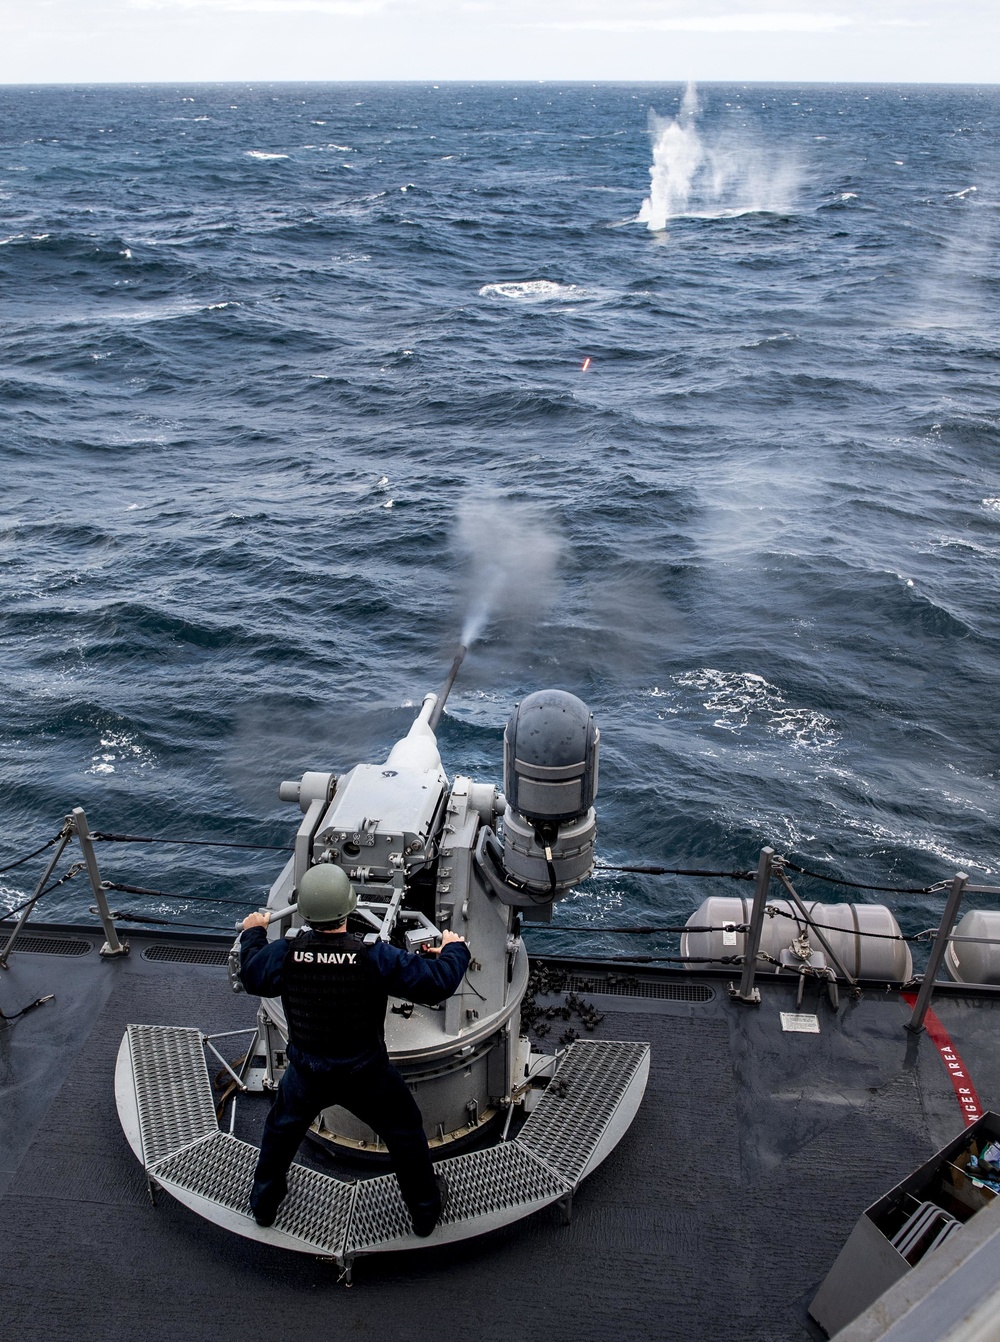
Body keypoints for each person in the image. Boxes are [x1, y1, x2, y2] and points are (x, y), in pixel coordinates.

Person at [239, 863, 470, 1234]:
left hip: (306, 1071)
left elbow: (251, 974)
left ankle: (264, 1206)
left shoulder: (285, 953)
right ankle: (425, 1214)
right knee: (405, 1133)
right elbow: (437, 982)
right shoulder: (372, 956)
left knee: (280, 1133)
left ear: (305, 911)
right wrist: (453, 950)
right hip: (365, 1073)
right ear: (349, 907)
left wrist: (254, 933)